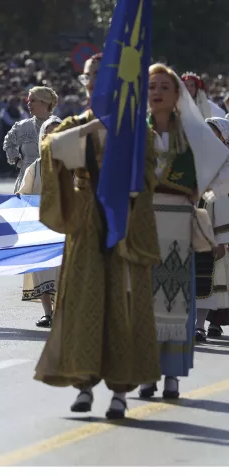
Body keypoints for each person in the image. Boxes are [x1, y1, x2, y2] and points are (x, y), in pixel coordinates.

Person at [34, 54, 162, 420]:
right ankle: (84, 384)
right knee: (84, 302)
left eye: (101, 77)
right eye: (90, 76)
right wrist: (90, 131)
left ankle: (120, 393)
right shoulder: (77, 124)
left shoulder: (138, 131)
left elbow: (148, 176)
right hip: (87, 224)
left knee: (122, 304)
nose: (93, 82)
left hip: (122, 223)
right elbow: (51, 150)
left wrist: (129, 184)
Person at [139, 64, 229, 400]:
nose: (157, 92)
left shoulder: (193, 134)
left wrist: (202, 190)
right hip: (142, 223)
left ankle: (172, 375)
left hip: (178, 223)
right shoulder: (135, 133)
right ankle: (146, 372)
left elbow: (222, 168)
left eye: (165, 86)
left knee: (174, 303)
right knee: (143, 303)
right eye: (151, 86)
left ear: (178, 94)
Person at [16, 116, 63, 328]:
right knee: (42, 269)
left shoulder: (75, 163)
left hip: (66, 226)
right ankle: (48, 313)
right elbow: (23, 194)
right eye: (48, 133)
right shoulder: (35, 167)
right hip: (40, 228)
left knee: (65, 271)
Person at [196, 117, 229, 342]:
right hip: (185, 226)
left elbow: (222, 201)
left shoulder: (224, 163)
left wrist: (221, 239)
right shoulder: (191, 157)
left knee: (207, 279)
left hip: (211, 230)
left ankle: (202, 326)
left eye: (213, 131)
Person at [3, 86, 59, 192]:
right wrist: (17, 161)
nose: (28, 104)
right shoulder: (22, 126)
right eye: (28, 101)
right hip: (27, 180)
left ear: (44, 103)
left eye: (32, 101)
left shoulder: (59, 125)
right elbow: (8, 143)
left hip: (52, 179)